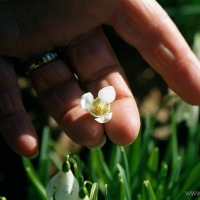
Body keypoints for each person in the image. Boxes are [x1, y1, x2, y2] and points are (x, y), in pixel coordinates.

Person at [0, 0, 199, 158]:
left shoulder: (101, 107)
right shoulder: (94, 105)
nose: (99, 108)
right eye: (98, 108)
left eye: (99, 108)